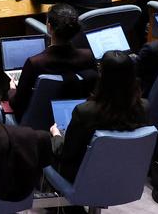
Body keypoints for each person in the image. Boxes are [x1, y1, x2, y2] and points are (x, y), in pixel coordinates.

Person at [54, 50, 149, 183]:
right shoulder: (144, 107)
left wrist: (56, 135)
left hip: (85, 180)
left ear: (102, 76)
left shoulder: (85, 111)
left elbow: (66, 153)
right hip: (125, 179)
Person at [9, 3, 98, 116]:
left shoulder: (35, 63)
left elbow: (18, 104)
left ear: (49, 27)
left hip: (42, 118)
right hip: (78, 115)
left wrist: (12, 91)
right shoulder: (88, 56)